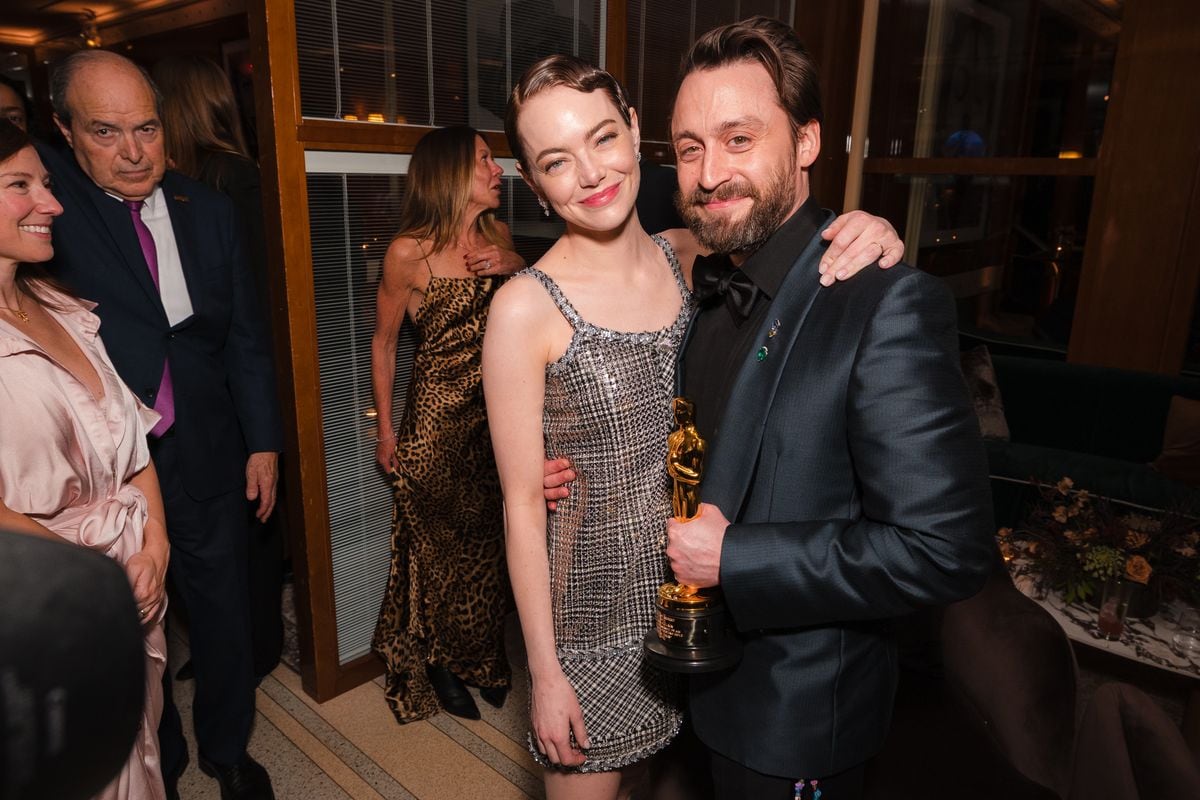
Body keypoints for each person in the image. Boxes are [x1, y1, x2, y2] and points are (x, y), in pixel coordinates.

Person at [484, 54, 902, 800]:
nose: (590, 173)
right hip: (591, 616)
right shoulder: (523, 307)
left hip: (701, 605)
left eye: (604, 138)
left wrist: (860, 226)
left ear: (636, 130)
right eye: (555, 160)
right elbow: (520, 503)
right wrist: (544, 674)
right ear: (533, 181)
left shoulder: (691, 253)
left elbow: (788, 245)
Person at [663, 18, 995, 799]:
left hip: (793, 724)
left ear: (808, 142)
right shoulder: (704, 290)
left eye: (739, 139)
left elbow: (946, 549)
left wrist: (736, 559)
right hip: (689, 683)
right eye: (688, 148)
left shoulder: (884, 302)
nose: (710, 173)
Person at [38, 50, 282, 800]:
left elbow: (242, 333)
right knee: (132, 619)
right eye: (106, 133)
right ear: (66, 133)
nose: (134, 151)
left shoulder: (205, 208)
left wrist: (264, 439)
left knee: (223, 609)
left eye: (146, 128)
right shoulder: (50, 216)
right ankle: (162, 760)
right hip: (111, 465)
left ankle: (227, 749)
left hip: (210, 444)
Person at [0, 118, 170, 799]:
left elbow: (133, 443)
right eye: (21, 186)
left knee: (139, 744)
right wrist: (94, 583)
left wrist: (156, 545)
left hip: (130, 577)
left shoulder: (65, 308)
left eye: (46, 183)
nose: (53, 203)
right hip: (48, 598)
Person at [370, 125, 525, 724]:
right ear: (453, 171)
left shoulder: (501, 237)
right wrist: (386, 432)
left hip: (496, 424)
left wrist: (516, 264)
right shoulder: (408, 252)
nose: (498, 170)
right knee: (437, 552)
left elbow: (541, 307)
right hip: (433, 424)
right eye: (487, 159)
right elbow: (384, 346)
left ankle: (482, 659)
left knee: (488, 546)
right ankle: (439, 661)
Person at [152, 53, 284, 683]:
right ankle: (223, 647)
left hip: (240, 378)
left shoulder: (231, 179)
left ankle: (253, 651)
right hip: (202, 387)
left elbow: (255, 302)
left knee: (251, 523)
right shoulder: (171, 189)